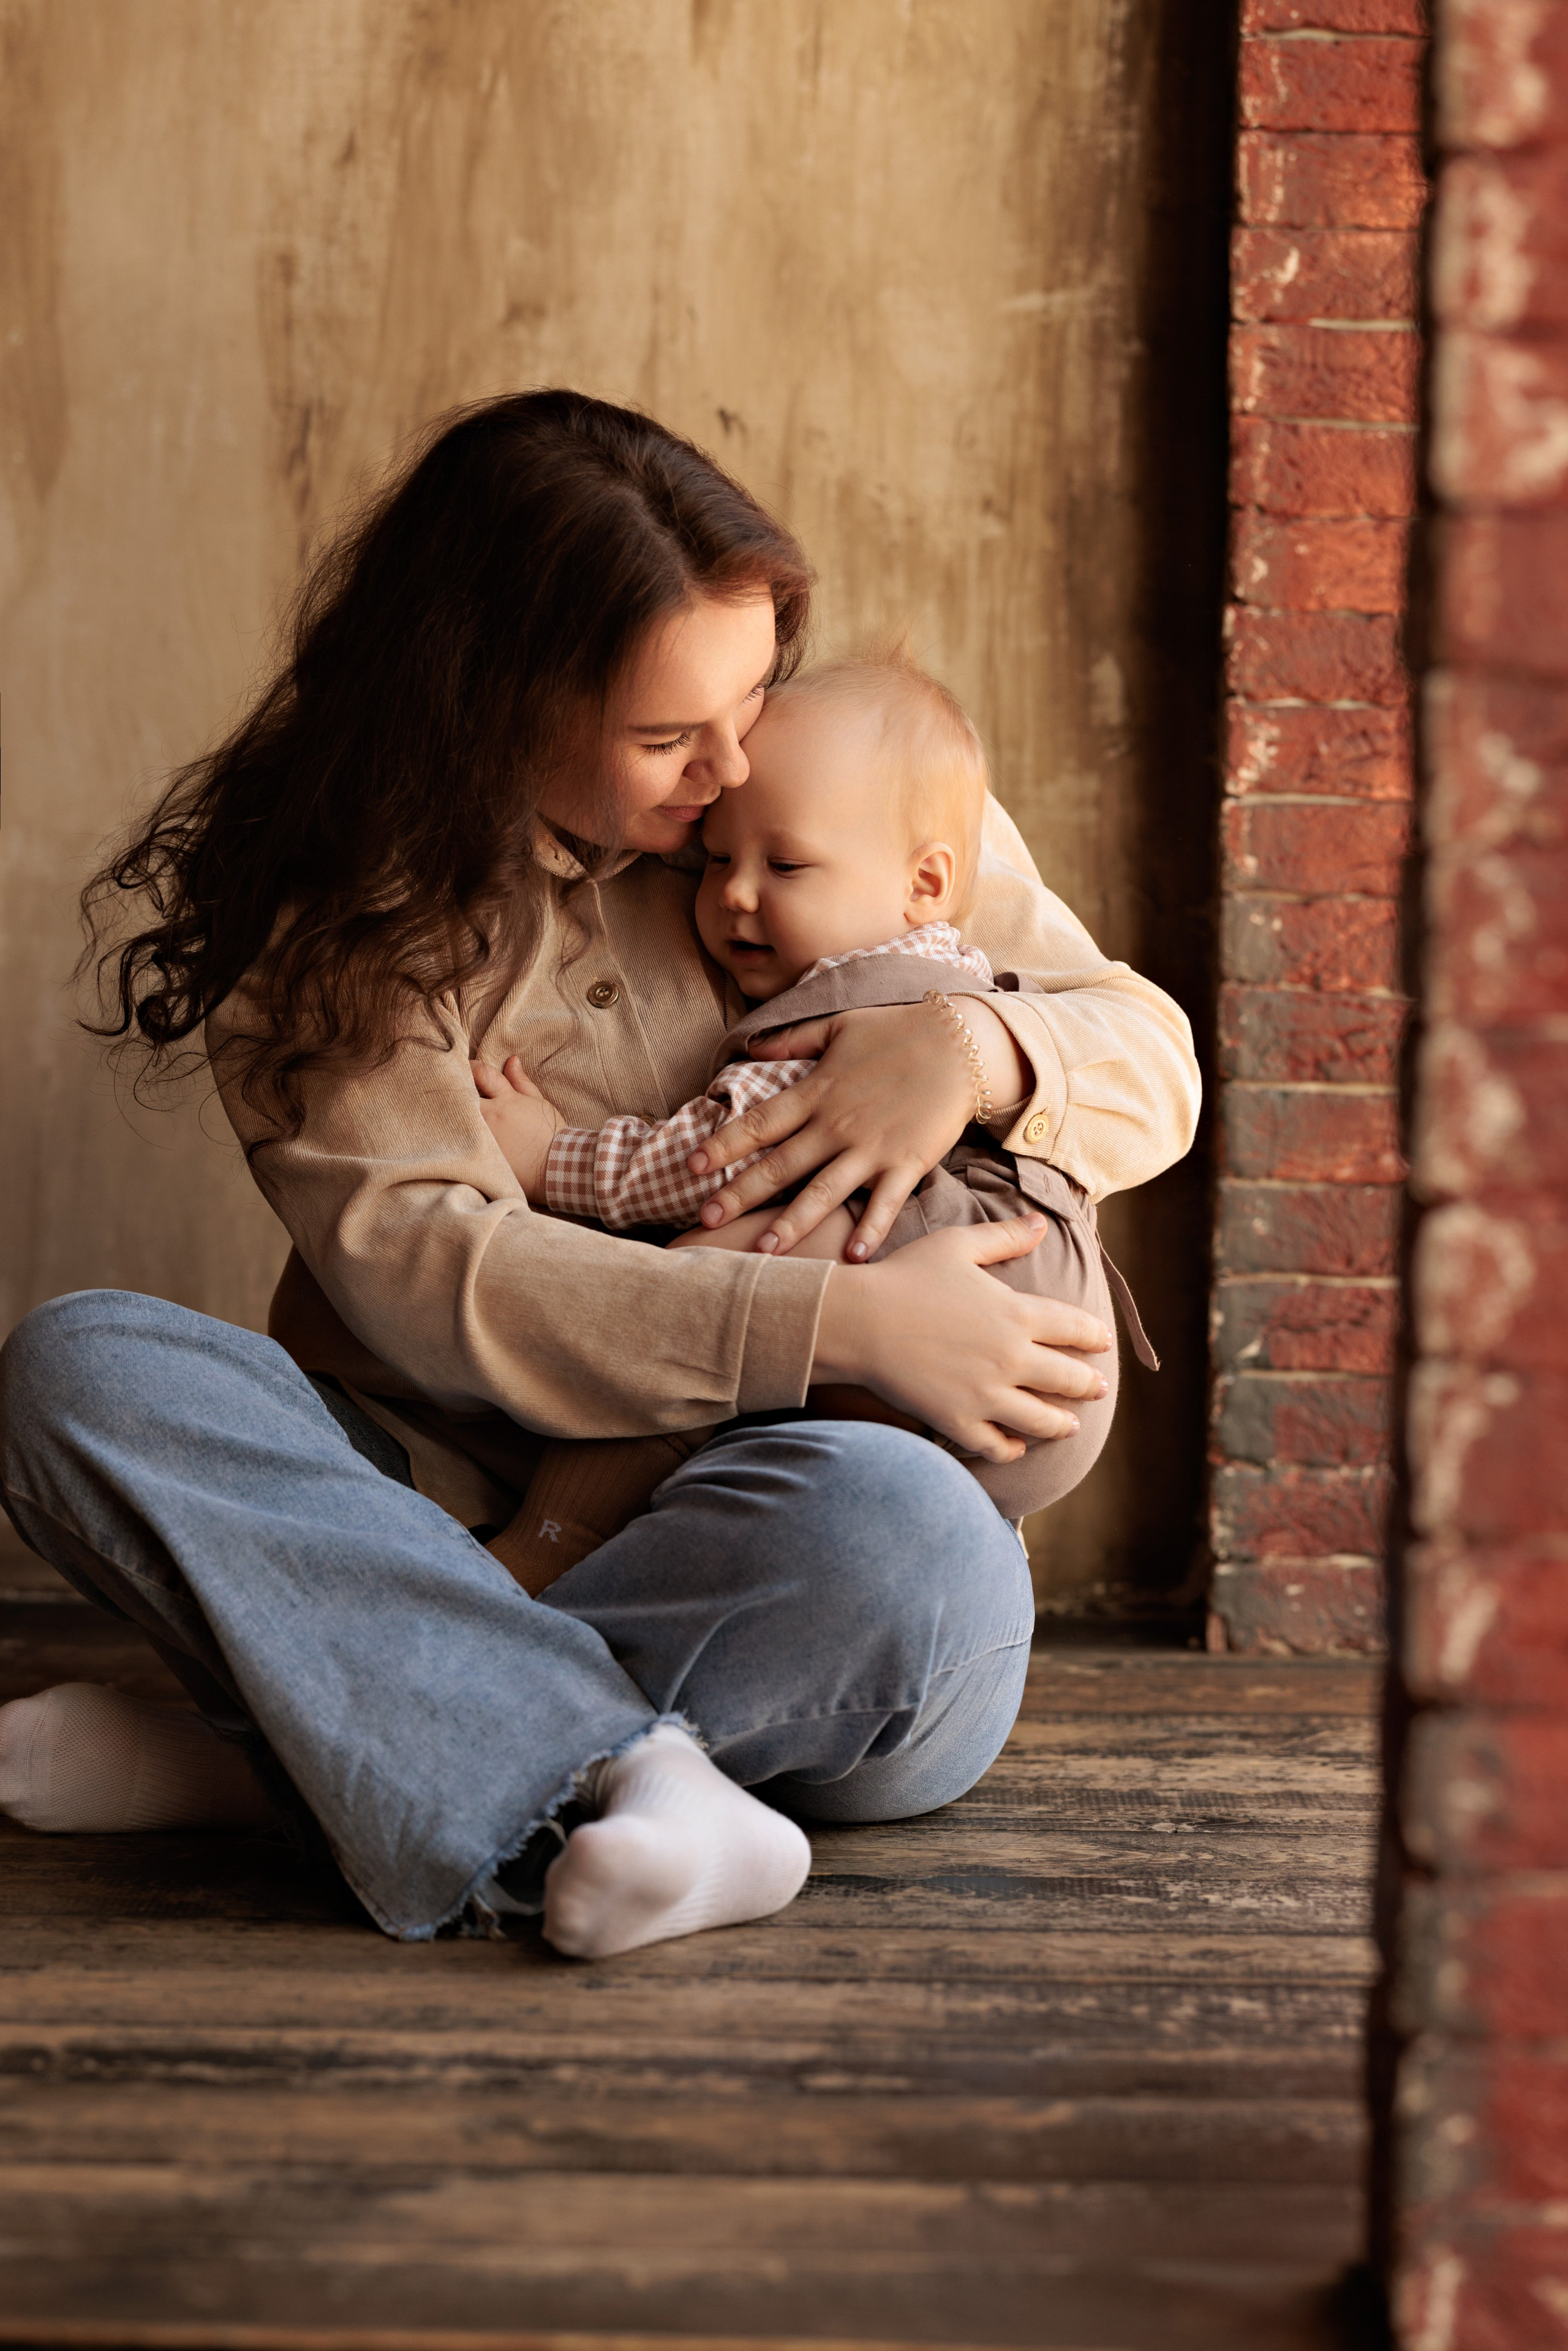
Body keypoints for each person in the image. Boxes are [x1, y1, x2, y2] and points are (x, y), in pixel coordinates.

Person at [0, 390, 1199, 1963]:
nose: (730, 771)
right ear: (492, 704)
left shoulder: (827, 776)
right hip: (444, 1503)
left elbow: (1151, 1053)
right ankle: (624, 1773)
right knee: (80, 1369)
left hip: (772, 1563)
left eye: (751, 693)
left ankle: (281, 1755)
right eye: (663, 739)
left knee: (909, 1538)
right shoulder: (342, 915)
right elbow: (440, 1277)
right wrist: (828, 1329)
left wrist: (971, 1051)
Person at [472, 649, 1158, 1591]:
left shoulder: (845, 1017)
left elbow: (714, 1162)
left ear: (926, 883)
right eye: (715, 860)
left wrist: (553, 1160)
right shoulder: (941, 946)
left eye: (784, 864)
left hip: (1000, 1307)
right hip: (1053, 1349)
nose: (736, 894)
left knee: (704, 1278)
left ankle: (552, 1540)